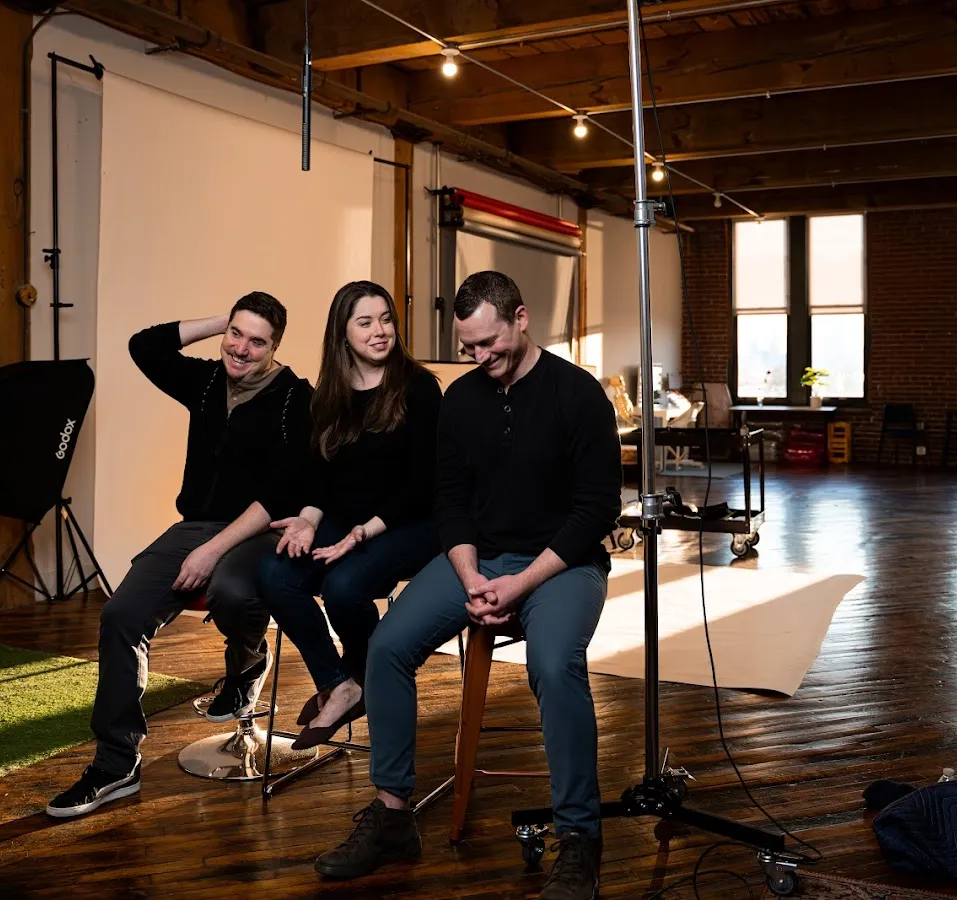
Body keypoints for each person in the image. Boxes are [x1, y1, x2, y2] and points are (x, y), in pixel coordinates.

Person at [313, 271, 621, 900]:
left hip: (562, 564)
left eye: (490, 343)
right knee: (387, 647)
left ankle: (579, 838)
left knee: (554, 664)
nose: (480, 357)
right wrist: (473, 575)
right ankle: (393, 816)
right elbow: (449, 502)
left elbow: (596, 512)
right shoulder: (461, 400)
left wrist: (520, 584)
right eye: (469, 347)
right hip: (479, 562)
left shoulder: (578, 394)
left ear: (520, 319)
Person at [46, 292, 312, 819]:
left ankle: (247, 666)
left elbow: (282, 492)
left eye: (257, 342)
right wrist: (221, 322)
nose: (241, 349)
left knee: (232, 591)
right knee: (121, 616)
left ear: (275, 347)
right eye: (235, 334)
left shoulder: (295, 398)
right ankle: (117, 763)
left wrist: (212, 551)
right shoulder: (208, 380)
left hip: (259, 528)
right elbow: (144, 346)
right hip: (194, 526)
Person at [259, 281, 442, 750]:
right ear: (342, 332)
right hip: (349, 519)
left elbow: (422, 485)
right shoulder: (329, 394)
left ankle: (366, 675)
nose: (380, 331)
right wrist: (308, 521)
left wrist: (360, 534)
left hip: (411, 522)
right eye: (365, 322)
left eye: (386, 319)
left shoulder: (420, 387)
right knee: (275, 572)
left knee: (343, 587)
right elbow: (320, 477)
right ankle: (340, 684)